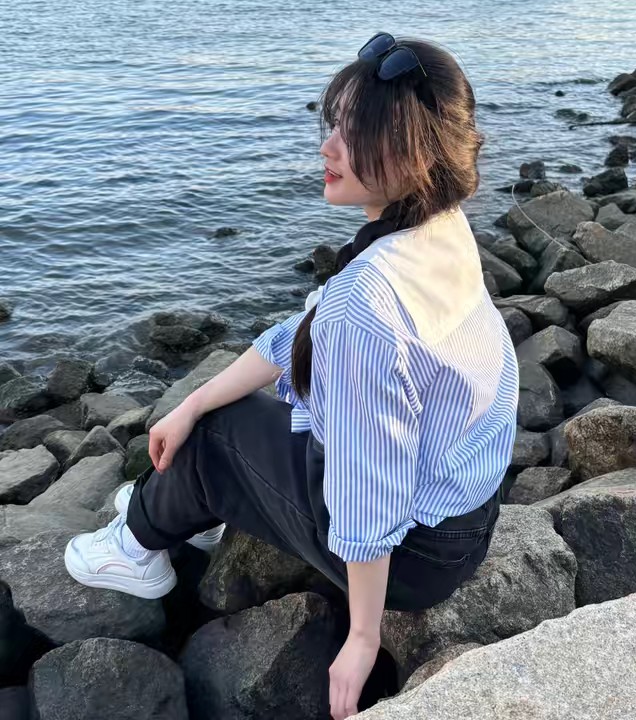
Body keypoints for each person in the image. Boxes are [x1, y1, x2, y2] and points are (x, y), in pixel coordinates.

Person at [64, 32, 519, 720]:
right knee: (217, 410)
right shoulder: (436, 229)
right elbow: (300, 333)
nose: (328, 148)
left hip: (415, 555)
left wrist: (363, 636)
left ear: (413, 154)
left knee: (221, 432)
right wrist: (189, 402)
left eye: (354, 133)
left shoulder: (367, 303)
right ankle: (199, 500)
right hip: (465, 512)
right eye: (333, 124)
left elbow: (368, 488)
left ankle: (136, 546)